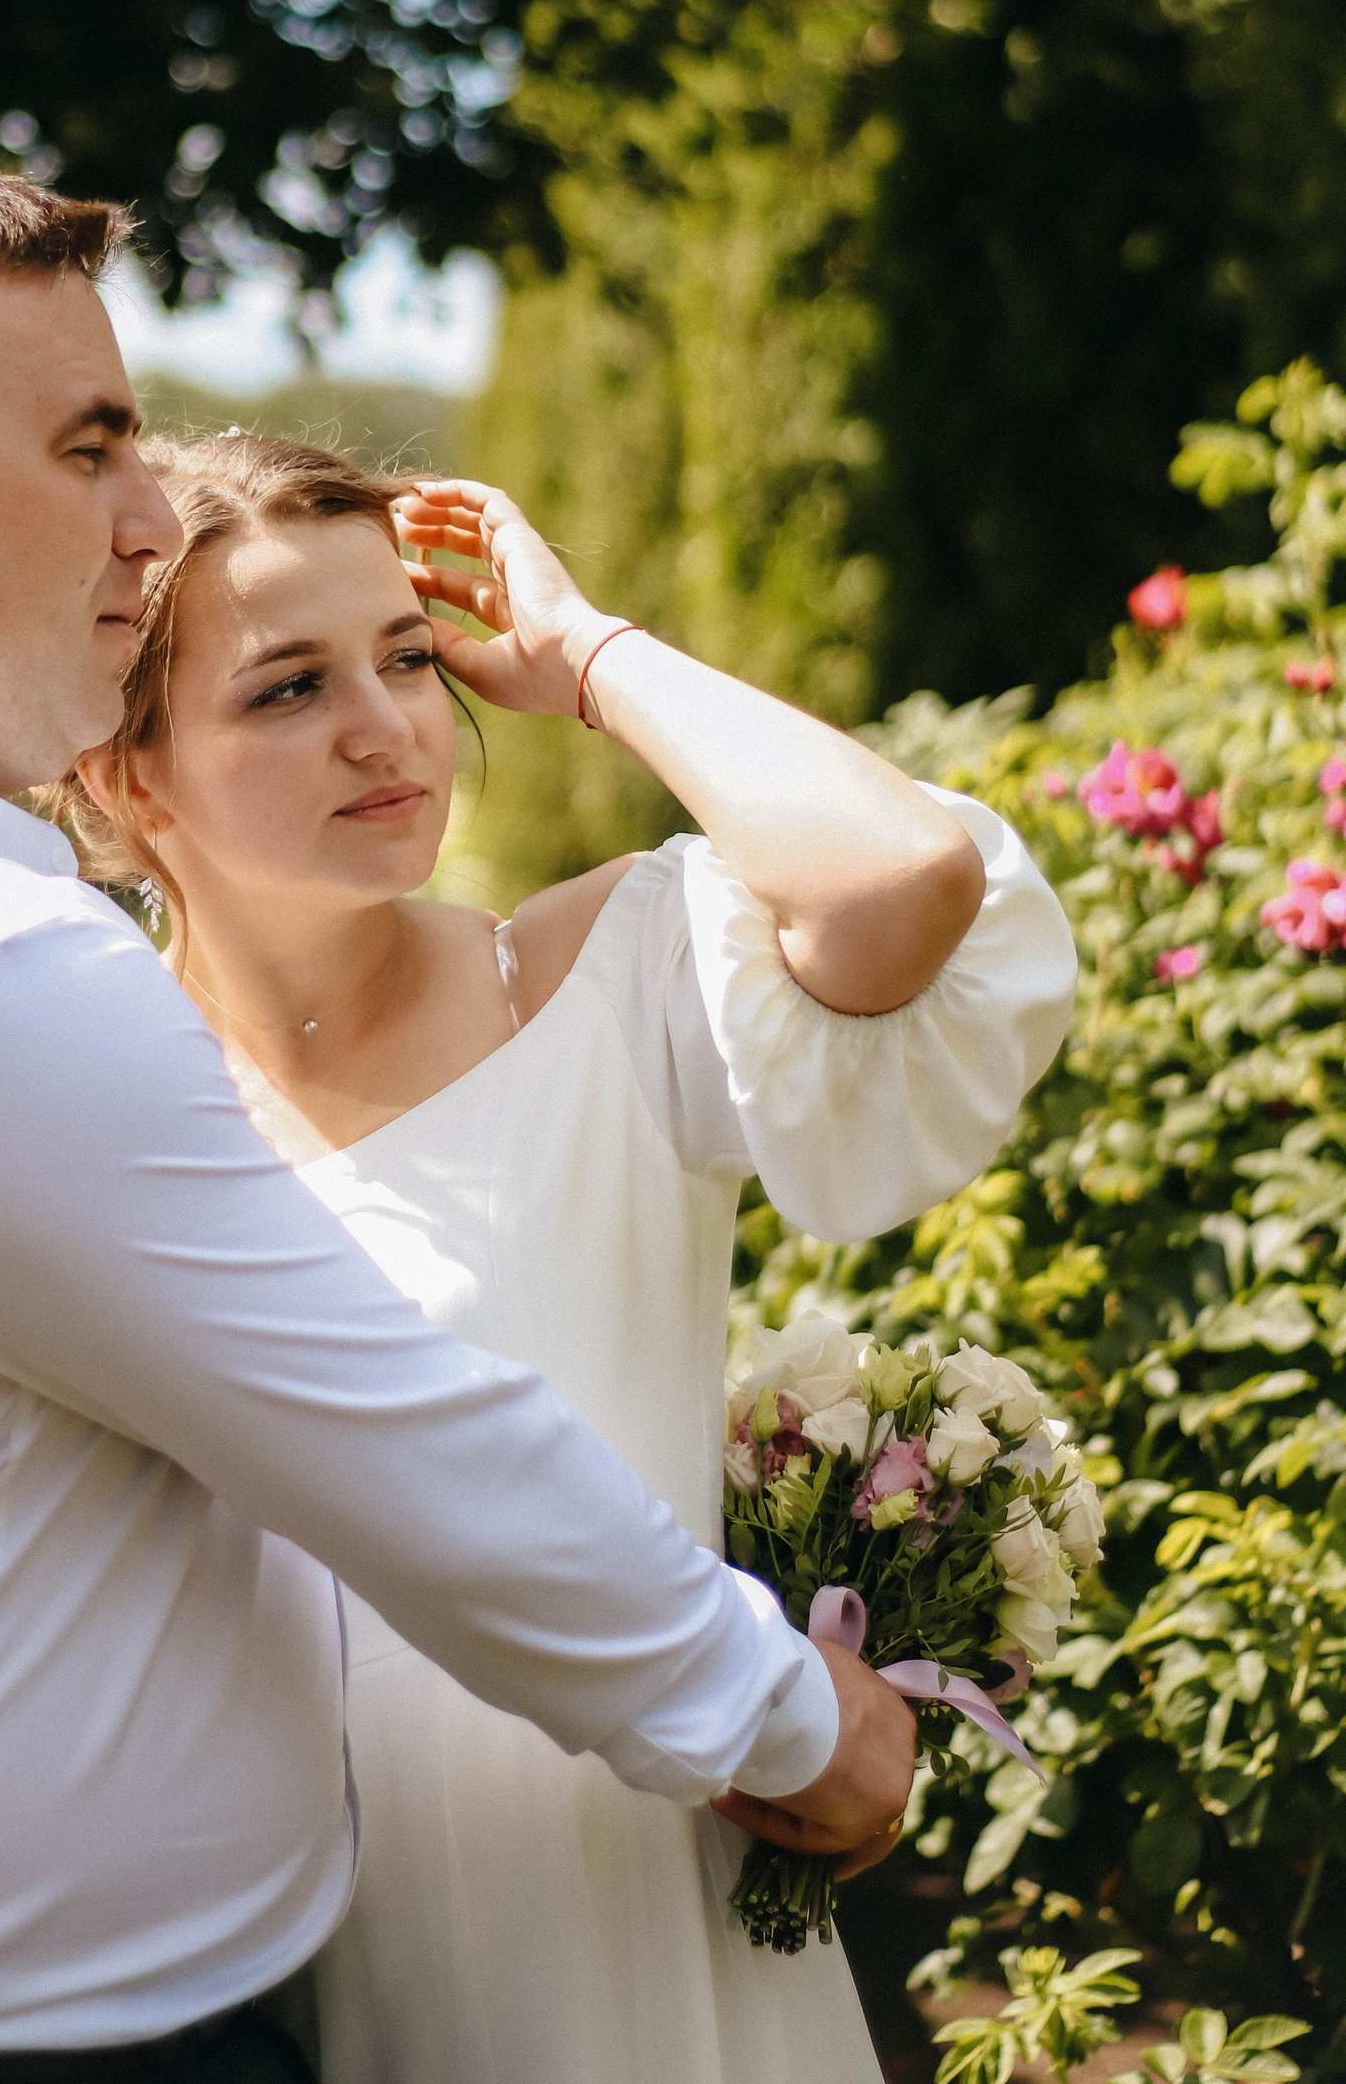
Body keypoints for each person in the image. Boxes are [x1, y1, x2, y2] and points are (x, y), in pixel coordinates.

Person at [0, 165, 923, 2084]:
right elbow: (408, 1453)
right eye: (89, 445)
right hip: (16, 2053)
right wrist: (800, 1724)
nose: (144, 515)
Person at [57, 430, 1078, 2084]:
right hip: (279, 1974)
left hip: (655, 1911)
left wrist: (591, 655)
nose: (386, 726)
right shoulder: (82, 1129)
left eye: (406, 655)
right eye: (290, 687)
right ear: (126, 776)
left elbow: (904, 880)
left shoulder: (601, 981)